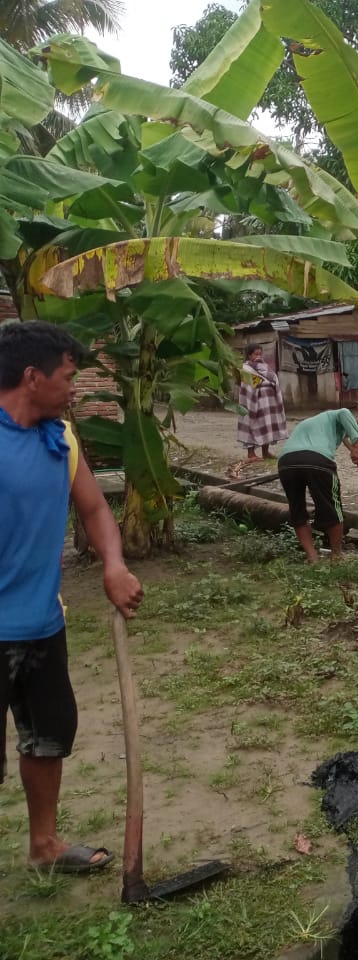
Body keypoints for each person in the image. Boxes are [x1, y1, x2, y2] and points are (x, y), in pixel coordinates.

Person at [0, 321, 144, 875]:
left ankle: (44, 846)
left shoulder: (61, 438)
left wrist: (114, 563)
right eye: (67, 377)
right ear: (32, 377)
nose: (74, 389)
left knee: (48, 739)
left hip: (42, 624)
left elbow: (94, 510)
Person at [277, 408, 358, 563]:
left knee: (297, 510)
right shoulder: (336, 414)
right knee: (332, 508)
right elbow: (344, 412)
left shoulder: (310, 423)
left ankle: (313, 557)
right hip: (316, 461)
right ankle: (337, 555)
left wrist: (351, 446)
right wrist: (357, 443)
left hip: (286, 462)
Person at [237, 344, 288, 461]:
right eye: (256, 354)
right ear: (249, 355)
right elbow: (250, 386)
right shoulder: (246, 368)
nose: (259, 356)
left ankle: (266, 452)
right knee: (253, 424)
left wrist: (272, 384)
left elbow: (273, 379)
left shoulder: (265, 367)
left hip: (268, 403)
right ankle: (251, 454)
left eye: (260, 354)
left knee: (267, 425)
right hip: (254, 403)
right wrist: (265, 383)